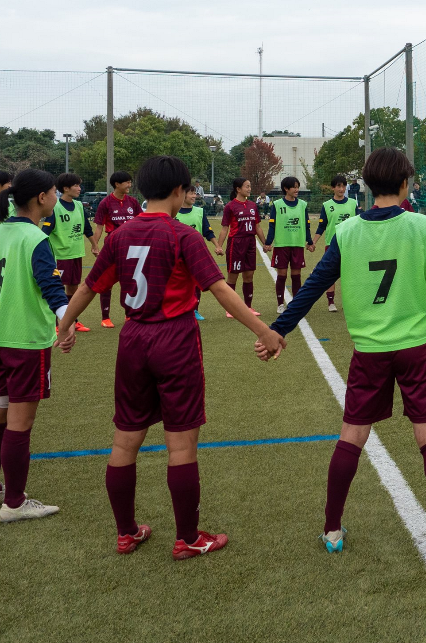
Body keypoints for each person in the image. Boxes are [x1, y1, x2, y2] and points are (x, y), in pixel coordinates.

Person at [259, 147, 426, 558]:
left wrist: (277, 330)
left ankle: (331, 530)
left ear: (366, 186)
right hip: (416, 348)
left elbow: (310, 289)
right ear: (404, 185)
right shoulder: (419, 226)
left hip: (369, 352)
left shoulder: (347, 233)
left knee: (352, 435)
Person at [57, 156, 285, 559]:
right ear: (180, 191)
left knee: (125, 440)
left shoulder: (120, 236)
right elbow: (219, 289)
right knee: (180, 445)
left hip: (133, 340)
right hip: (175, 340)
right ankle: (188, 538)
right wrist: (264, 330)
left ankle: (126, 533)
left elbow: (89, 289)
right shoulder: (183, 235)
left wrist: (65, 325)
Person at [0, 169, 69, 522]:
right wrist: (67, 320)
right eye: (55, 192)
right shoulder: (35, 238)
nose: (57, 197)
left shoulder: (1, 233)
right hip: (27, 340)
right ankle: (14, 502)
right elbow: (51, 287)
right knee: (19, 423)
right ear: (41, 197)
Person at [41, 172, 94, 334]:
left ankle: (72, 320)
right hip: (60, 256)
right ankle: (55, 324)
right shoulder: (55, 207)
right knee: (57, 289)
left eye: (79, 185)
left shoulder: (79, 206)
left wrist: (94, 245)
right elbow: (45, 231)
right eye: (76, 185)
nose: (79, 188)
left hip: (76, 254)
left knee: (73, 288)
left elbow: (86, 228)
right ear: (65, 188)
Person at [93, 170, 142, 328]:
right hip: (112, 246)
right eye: (127, 182)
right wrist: (95, 245)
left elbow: (141, 221)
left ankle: (129, 314)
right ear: (117, 184)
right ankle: (105, 317)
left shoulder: (133, 202)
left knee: (129, 280)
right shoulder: (105, 203)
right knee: (106, 281)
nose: (130, 185)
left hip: (131, 246)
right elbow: (99, 227)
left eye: (130, 182)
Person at [262, 176, 313, 310]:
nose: (297, 189)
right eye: (294, 187)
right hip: (281, 245)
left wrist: (310, 241)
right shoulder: (277, 205)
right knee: (282, 275)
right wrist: (268, 242)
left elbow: (306, 225)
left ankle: (295, 304)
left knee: (296, 275)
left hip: (297, 245)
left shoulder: (303, 205)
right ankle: (280, 304)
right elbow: (272, 225)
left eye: (297, 187)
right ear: (286, 189)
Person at [312, 174, 358, 313]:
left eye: (343, 186)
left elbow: (358, 224)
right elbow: (322, 226)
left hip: (350, 244)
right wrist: (313, 242)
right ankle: (331, 302)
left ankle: (349, 302)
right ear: (333, 188)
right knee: (331, 274)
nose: (341, 188)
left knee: (349, 274)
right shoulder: (327, 206)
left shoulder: (352, 203)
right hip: (332, 245)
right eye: (338, 186)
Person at [218, 177, 261, 317]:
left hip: (250, 243)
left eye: (249, 186)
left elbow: (257, 226)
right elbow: (225, 228)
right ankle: (230, 309)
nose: (249, 189)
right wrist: (219, 246)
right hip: (236, 243)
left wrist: (266, 242)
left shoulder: (253, 206)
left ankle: (248, 307)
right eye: (246, 186)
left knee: (249, 276)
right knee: (232, 277)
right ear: (238, 189)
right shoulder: (230, 206)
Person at [176, 183, 219, 319]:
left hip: (195, 254)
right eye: (192, 193)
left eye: (195, 193)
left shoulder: (199, 212)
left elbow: (208, 231)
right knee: (178, 283)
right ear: (183, 195)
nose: (195, 196)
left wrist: (217, 246)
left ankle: (194, 310)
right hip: (177, 254)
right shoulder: (173, 212)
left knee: (195, 283)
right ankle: (178, 309)